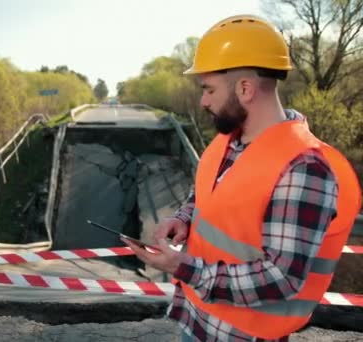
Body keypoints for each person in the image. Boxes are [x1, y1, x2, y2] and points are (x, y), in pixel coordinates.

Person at [122, 14, 362, 341]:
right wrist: (183, 218)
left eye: (208, 89)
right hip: (197, 321)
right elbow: (211, 199)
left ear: (245, 88)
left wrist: (181, 267)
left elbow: (280, 279)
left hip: (242, 334)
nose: (203, 101)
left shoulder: (304, 168)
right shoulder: (227, 142)